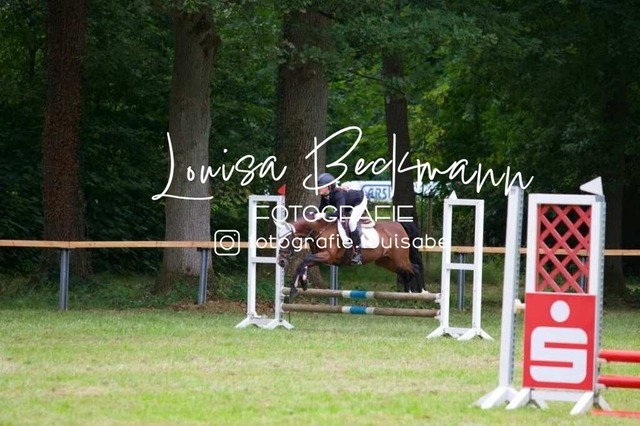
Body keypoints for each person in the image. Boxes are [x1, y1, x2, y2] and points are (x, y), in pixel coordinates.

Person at [315, 172, 367, 265]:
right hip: (346, 205)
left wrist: (324, 215)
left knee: (351, 223)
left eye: (321, 186)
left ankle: (358, 253)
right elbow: (320, 210)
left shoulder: (338, 194)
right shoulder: (324, 196)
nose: (318, 188)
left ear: (329, 187)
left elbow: (339, 213)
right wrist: (313, 216)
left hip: (359, 201)